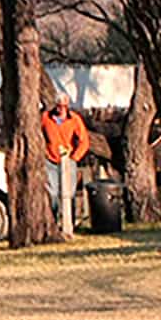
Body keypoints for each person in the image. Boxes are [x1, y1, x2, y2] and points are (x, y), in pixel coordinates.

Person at [41, 93, 91, 235]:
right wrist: (43, 151)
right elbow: (37, 135)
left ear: (67, 106)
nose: (61, 109)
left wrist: (75, 157)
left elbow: (84, 141)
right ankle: (53, 223)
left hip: (68, 161)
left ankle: (70, 225)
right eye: (58, 106)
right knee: (53, 193)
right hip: (50, 160)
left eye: (64, 106)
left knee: (70, 193)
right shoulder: (45, 118)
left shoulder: (74, 119)